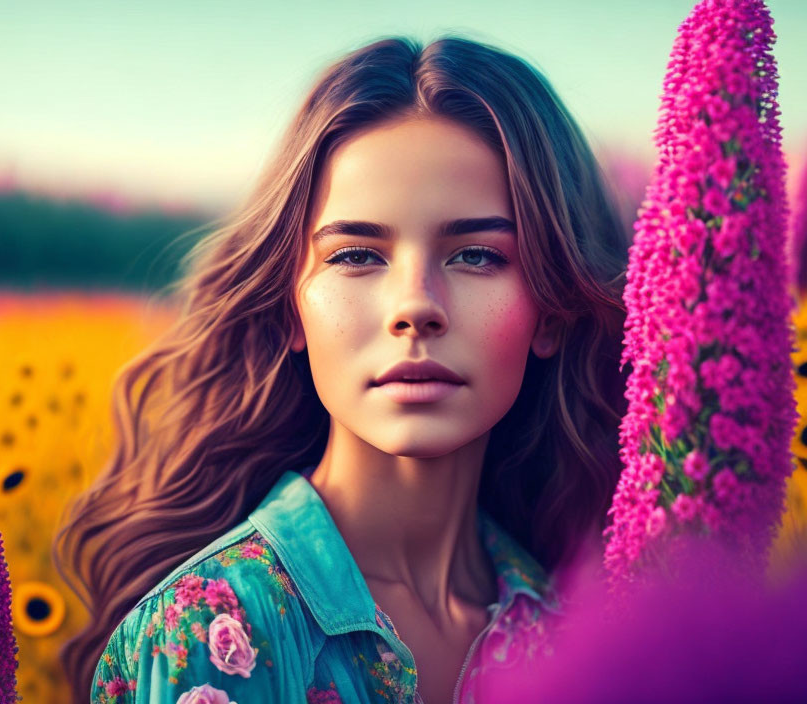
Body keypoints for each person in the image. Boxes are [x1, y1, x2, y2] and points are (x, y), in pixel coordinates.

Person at [54, 34, 629, 704]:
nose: (416, 306)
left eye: (476, 256)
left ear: (553, 313)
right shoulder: (204, 633)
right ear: (290, 310)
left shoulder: (581, 640)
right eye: (356, 255)